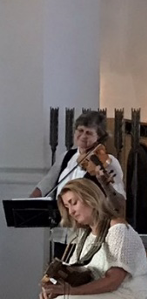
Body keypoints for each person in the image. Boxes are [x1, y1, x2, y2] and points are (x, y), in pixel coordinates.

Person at [31, 110, 127, 259]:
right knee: (58, 274)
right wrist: (30, 202)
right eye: (80, 131)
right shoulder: (67, 156)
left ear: (99, 137)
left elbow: (119, 200)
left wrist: (105, 182)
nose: (83, 136)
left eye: (89, 133)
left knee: (80, 274)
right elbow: (47, 182)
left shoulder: (107, 161)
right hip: (62, 229)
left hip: (88, 230)